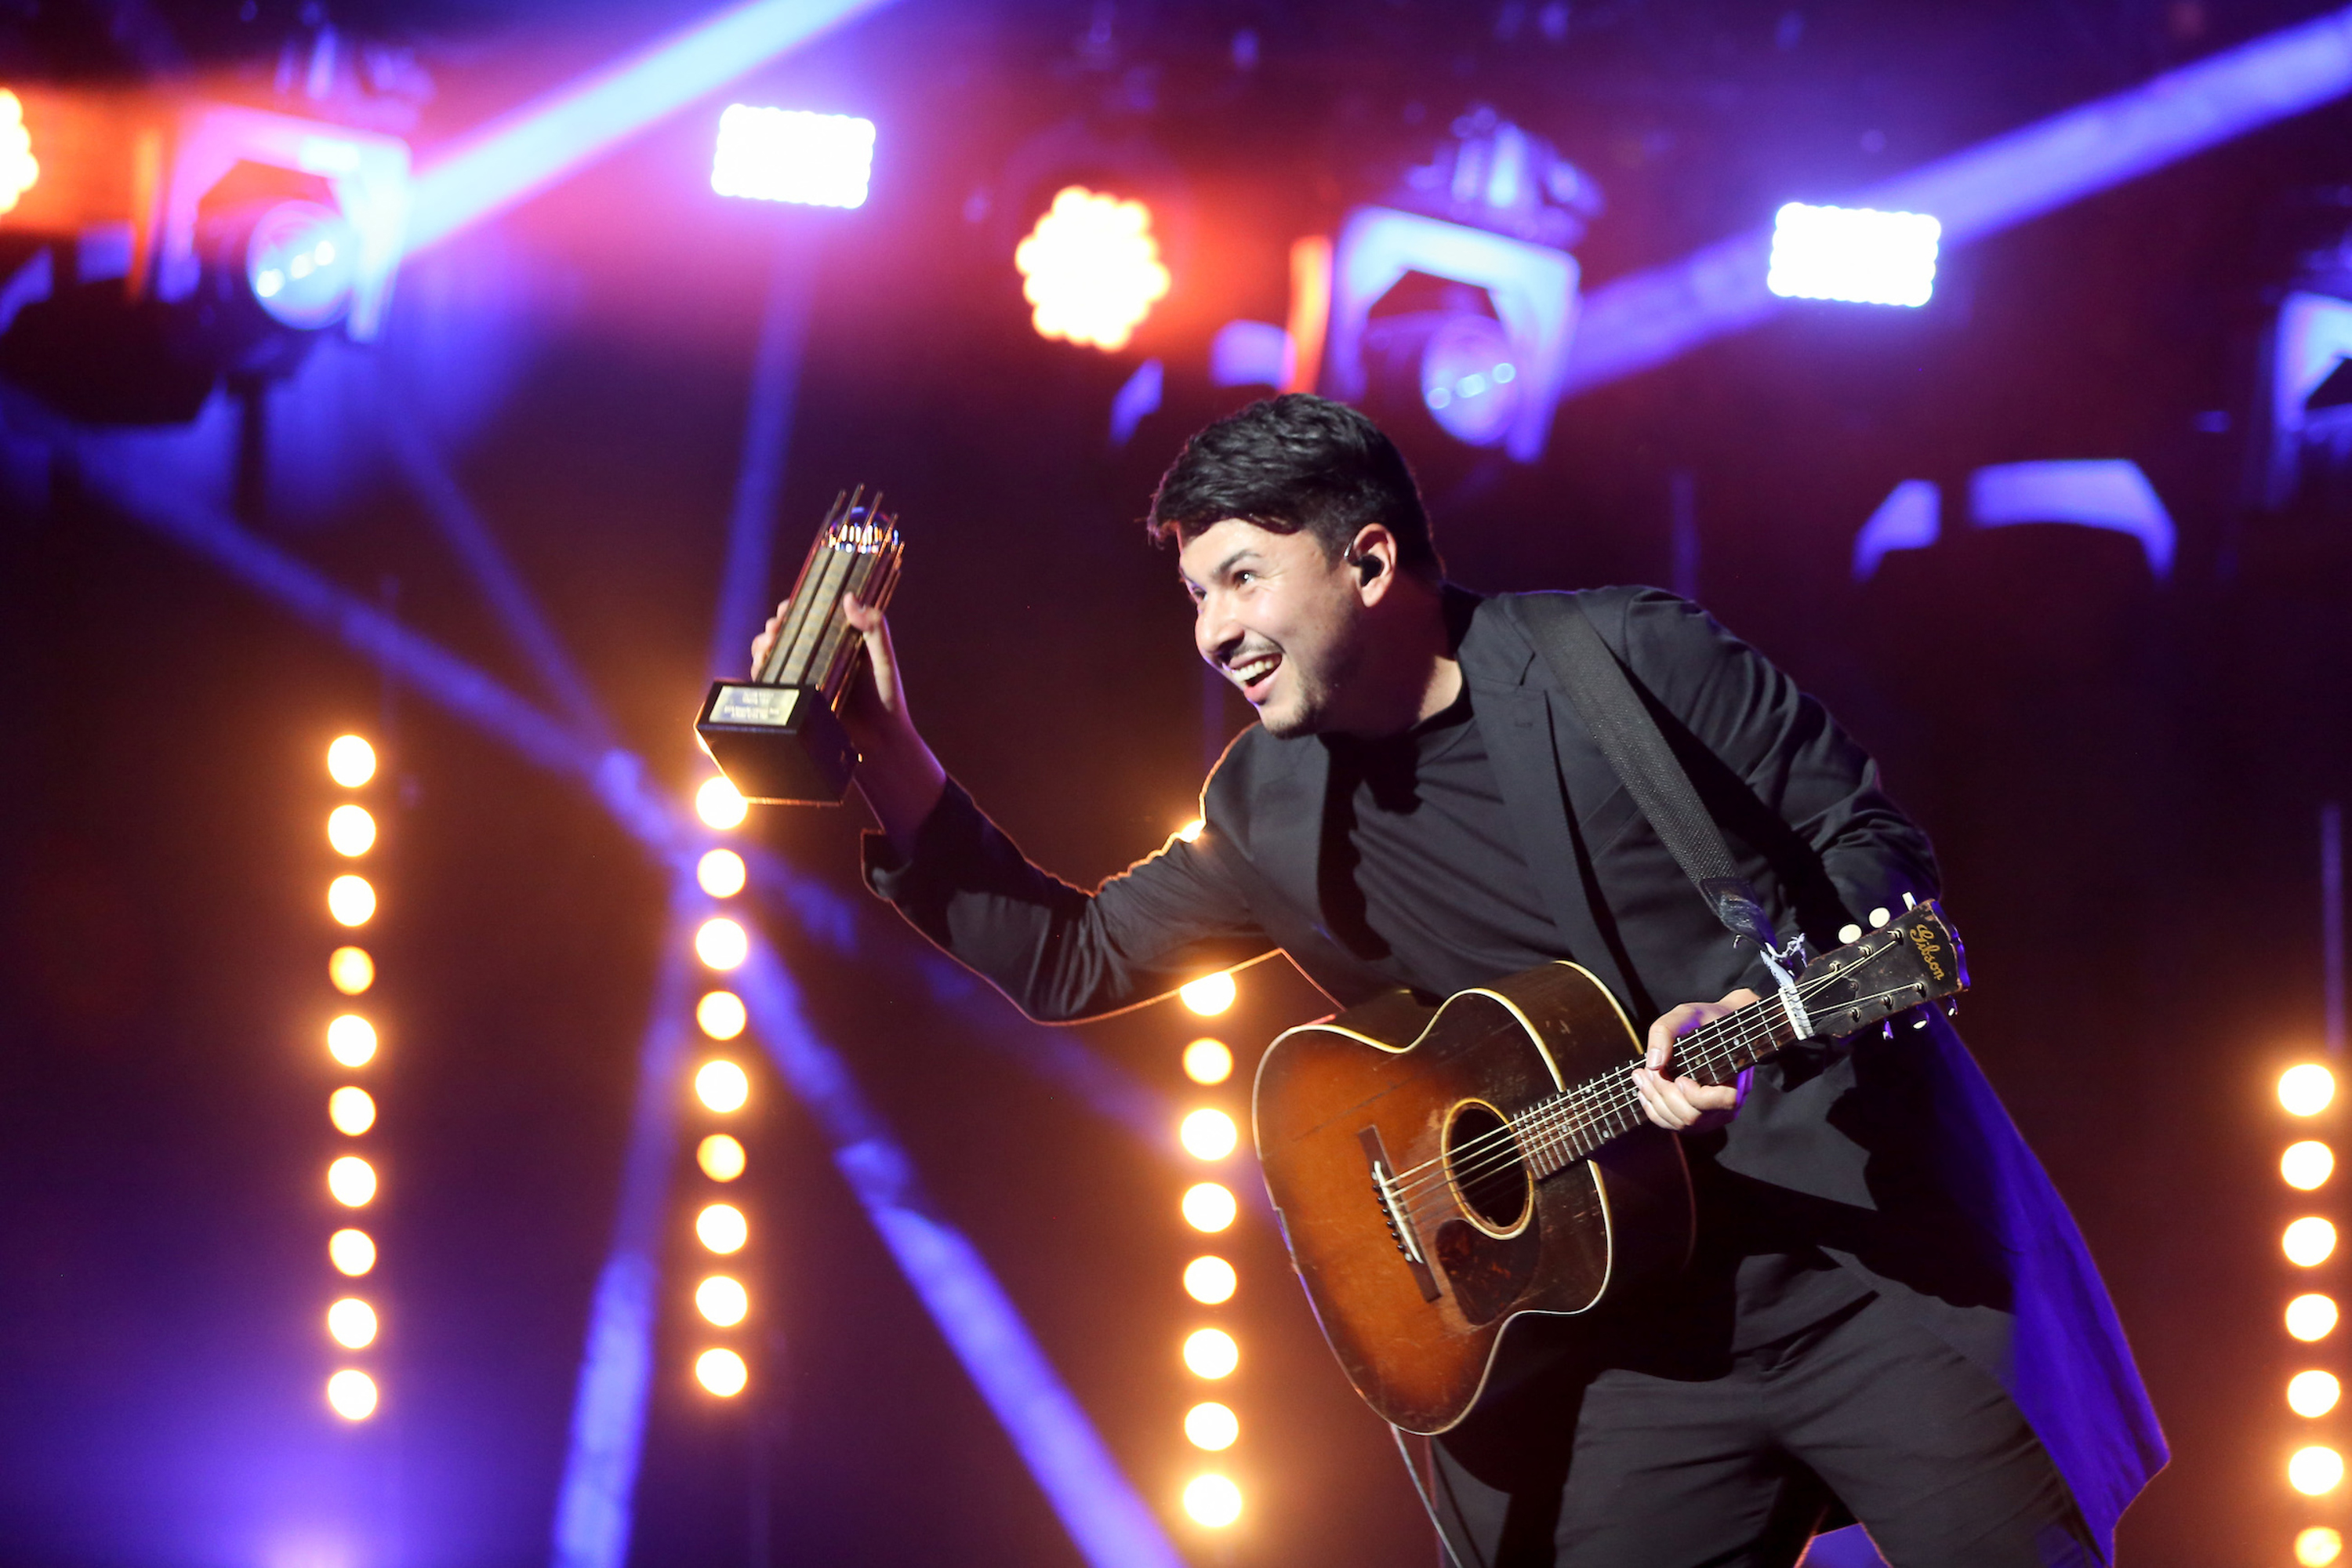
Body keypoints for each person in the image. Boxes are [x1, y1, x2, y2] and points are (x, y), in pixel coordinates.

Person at [751, 394, 2165, 1567]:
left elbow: (1870, 843)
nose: (1212, 631)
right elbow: (1072, 958)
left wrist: (1765, 1006)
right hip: (1617, 1350)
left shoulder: (1629, 655)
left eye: (1243, 578)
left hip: (1862, 1280)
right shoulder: (1266, 805)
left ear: (1368, 562)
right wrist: (886, 753)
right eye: (1194, 594)